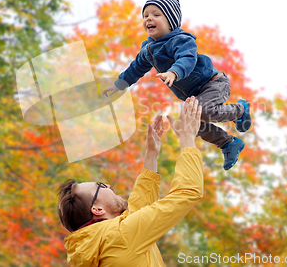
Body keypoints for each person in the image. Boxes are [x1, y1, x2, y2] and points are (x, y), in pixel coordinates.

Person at [102, 0, 251, 170]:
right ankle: (228, 143)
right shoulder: (147, 50)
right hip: (195, 95)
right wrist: (118, 86)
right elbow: (135, 69)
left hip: (214, 83)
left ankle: (240, 110)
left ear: (171, 21)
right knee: (189, 123)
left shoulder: (181, 40)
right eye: (145, 16)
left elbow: (186, 58)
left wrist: (174, 72)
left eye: (156, 14)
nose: (148, 18)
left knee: (203, 111)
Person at [58, 97, 204, 266]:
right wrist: (187, 138)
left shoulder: (96, 244)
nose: (109, 186)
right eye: (101, 186)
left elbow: (136, 211)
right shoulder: (121, 235)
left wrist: (151, 154)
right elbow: (188, 193)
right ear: (97, 209)